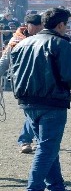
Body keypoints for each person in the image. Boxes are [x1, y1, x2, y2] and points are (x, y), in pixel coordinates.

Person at [10, 7, 71, 191]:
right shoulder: (61, 44)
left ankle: (57, 190)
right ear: (60, 25)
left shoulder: (23, 43)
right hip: (52, 101)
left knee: (47, 146)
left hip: (28, 101)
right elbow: (69, 75)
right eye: (66, 24)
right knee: (47, 148)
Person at [0, 14, 44, 154]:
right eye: (35, 25)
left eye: (40, 25)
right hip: (21, 82)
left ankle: (29, 140)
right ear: (28, 25)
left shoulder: (45, 39)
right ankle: (29, 140)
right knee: (31, 111)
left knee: (35, 111)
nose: (38, 28)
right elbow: (5, 60)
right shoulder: (15, 41)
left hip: (41, 81)